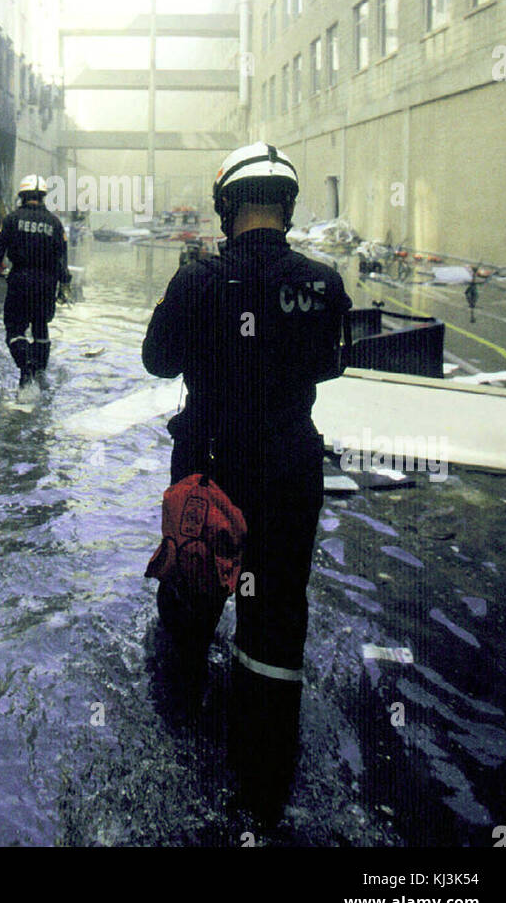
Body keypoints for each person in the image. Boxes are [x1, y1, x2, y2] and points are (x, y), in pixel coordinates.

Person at [142, 141, 351, 810]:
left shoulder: (197, 278)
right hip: (290, 470)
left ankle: (177, 725)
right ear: (286, 206)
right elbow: (327, 367)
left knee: (190, 602)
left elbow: (156, 363)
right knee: (276, 615)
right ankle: (263, 782)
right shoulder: (322, 281)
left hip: (209, 470)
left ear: (224, 204)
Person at [0, 174, 70, 390]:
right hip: (46, 284)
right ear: (43, 197)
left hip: (20, 281)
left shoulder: (11, 219)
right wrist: (64, 284)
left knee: (15, 329)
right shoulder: (55, 223)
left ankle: (26, 367)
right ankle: (40, 372)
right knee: (41, 326)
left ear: (22, 196)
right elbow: (62, 259)